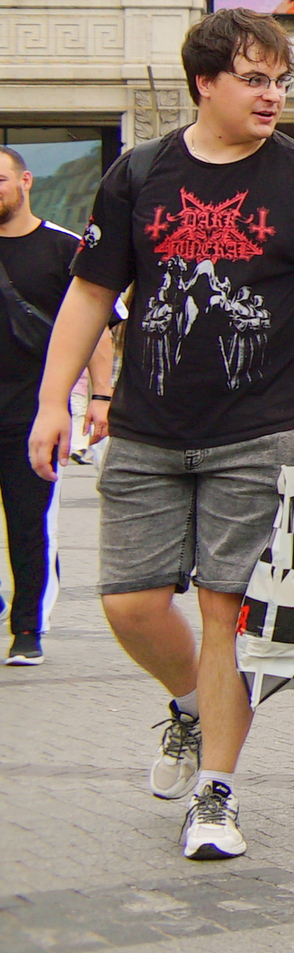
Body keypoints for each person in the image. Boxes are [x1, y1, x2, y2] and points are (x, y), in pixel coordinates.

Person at [29, 9, 294, 862]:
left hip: (262, 431)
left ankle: (217, 793)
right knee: (131, 602)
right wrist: (54, 400)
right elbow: (89, 296)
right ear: (204, 82)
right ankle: (192, 702)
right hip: (146, 427)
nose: (273, 94)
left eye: (283, 79)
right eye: (255, 78)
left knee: (225, 611)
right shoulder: (139, 173)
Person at [0, 146, 116, 666]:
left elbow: (96, 329)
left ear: (25, 181)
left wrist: (100, 395)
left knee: (28, 524)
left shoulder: (61, 248)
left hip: (31, 414)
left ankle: (27, 628)